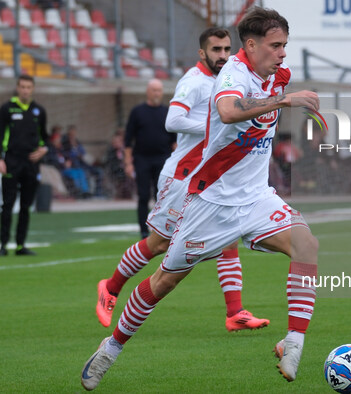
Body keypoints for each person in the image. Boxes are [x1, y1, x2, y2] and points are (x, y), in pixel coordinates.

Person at [81, 8, 320, 390]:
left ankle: (293, 342)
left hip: (257, 198)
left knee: (307, 244)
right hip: (211, 200)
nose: (282, 54)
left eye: (285, 46)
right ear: (252, 45)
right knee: (164, 281)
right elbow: (226, 111)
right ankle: (110, 349)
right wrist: (284, 102)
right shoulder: (232, 76)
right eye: (276, 46)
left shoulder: (278, 75)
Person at [94, 27, 268, 333]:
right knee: (159, 243)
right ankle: (110, 287)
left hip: (210, 178)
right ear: (203, 53)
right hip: (182, 176)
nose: (223, 56)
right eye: (216, 50)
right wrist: (214, 126)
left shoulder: (228, 81)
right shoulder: (194, 81)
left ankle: (235, 312)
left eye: (227, 49)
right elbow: (172, 120)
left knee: (228, 241)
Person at [0, 75, 48, 256]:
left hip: (31, 164)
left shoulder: (39, 111)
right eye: (22, 87)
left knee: (26, 206)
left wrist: (44, 150)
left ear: (33, 89)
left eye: (29, 87)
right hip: (11, 161)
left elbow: (45, 137)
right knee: (7, 205)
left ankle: (21, 245)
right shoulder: (6, 109)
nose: (25, 90)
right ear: (17, 88)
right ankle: (2, 244)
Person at [124, 79, 177, 239]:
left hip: (163, 159)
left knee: (161, 196)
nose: (156, 93)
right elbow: (128, 139)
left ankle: (160, 230)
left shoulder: (167, 112)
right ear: (148, 91)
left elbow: (175, 141)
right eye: (154, 90)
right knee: (143, 195)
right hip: (142, 159)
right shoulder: (137, 112)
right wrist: (128, 162)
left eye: (159, 90)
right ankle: (143, 230)